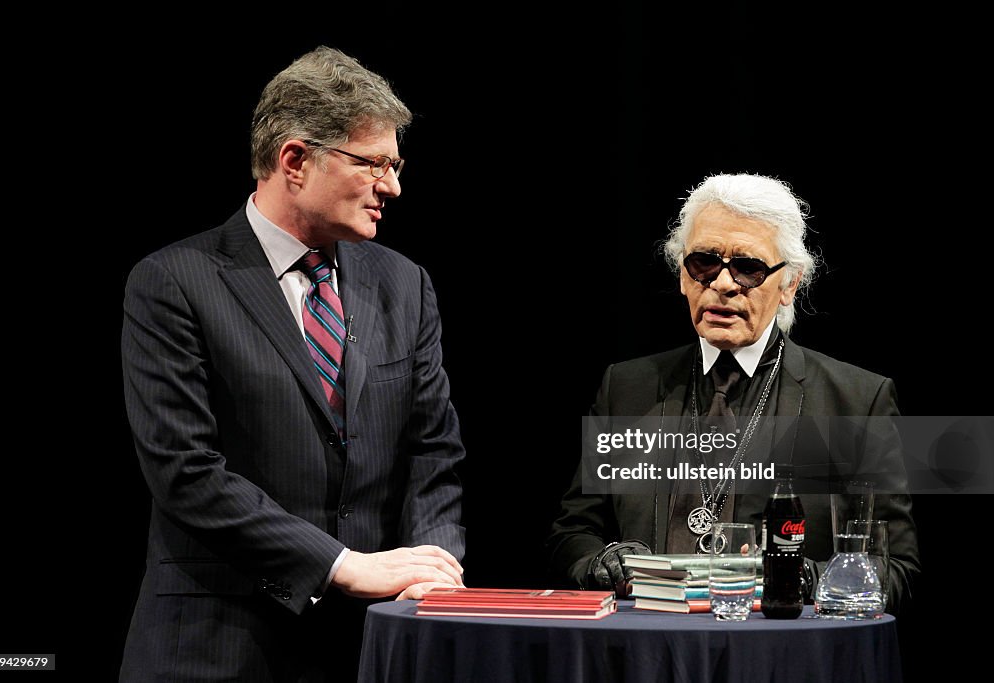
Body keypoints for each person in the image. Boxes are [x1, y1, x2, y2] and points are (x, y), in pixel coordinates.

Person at [119, 46, 466, 682]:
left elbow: (433, 452)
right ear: (295, 161)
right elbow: (186, 472)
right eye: (373, 164)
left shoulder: (405, 285)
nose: (392, 185)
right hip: (216, 647)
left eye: (396, 164)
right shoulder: (174, 282)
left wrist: (432, 565)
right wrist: (340, 564)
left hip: (368, 650)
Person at [546, 173, 919, 614]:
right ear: (683, 277)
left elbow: (894, 568)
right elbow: (572, 535)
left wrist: (802, 577)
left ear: (789, 284)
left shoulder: (856, 401)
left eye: (748, 268)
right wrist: (600, 563)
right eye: (703, 262)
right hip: (645, 645)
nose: (722, 284)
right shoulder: (626, 388)